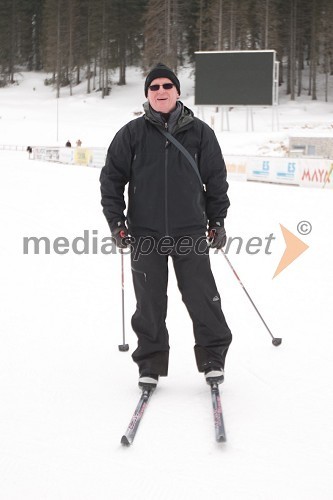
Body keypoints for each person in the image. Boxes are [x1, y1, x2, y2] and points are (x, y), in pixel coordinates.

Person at [100, 63, 232, 389]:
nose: (161, 91)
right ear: (147, 94)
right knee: (149, 303)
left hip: (190, 231)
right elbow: (111, 181)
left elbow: (216, 181)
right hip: (145, 233)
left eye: (166, 86)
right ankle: (150, 363)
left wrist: (217, 220)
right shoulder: (131, 134)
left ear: (177, 91)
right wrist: (117, 223)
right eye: (154, 87)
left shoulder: (201, 133)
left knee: (202, 298)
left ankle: (213, 358)